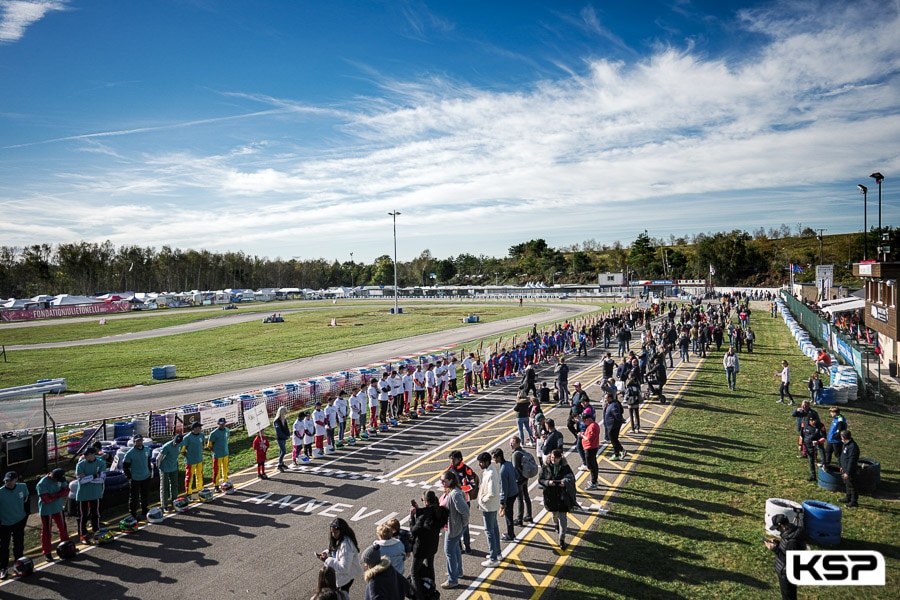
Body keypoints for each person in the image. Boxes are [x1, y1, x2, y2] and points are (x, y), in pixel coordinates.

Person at [409, 490, 447, 600]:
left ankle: (420, 597)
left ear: (426, 501)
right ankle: (431, 590)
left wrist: (412, 517)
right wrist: (419, 510)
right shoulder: (438, 512)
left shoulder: (423, 517)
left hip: (421, 548)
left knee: (414, 573)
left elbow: (414, 530)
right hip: (432, 546)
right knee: (430, 567)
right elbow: (428, 514)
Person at [538, 449, 576, 551]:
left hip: (562, 497)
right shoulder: (546, 466)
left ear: (560, 458)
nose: (553, 460)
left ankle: (562, 540)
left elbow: (572, 478)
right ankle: (555, 525)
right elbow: (540, 479)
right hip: (551, 497)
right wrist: (548, 483)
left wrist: (565, 482)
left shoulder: (565, 467)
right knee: (554, 515)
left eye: (555, 458)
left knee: (563, 519)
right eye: (552, 457)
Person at [439, 470, 470, 589]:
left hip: (453, 528)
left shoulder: (455, 494)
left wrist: (462, 525)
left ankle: (452, 579)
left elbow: (465, 511)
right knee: (455, 549)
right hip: (451, 526)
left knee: (449, 551)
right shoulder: (450, 491)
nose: (442, 483)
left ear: (450, 481)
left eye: (444, 481)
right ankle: (457, 571)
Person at [764, 513, 806, 600]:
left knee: (788, 597)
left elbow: (790, 561)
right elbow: (787, 550)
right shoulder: (790, 533)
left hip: (787, 574)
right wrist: (778, 544)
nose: (778, 531)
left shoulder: (792, 541)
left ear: (783, 526)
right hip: (785, 572)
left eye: (778, 528)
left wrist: (775, 549)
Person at [320, 517, 364, 596]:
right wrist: (328, 553)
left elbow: (344, 568)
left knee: (342, 595)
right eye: (332, 532)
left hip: (345, 578)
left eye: (335, 532)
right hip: (343, 577)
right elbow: (338, 552)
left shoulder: (346, 545)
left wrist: (327, 560)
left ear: (342, 531)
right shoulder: (341, 539)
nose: (333, 535)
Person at [447, 450, 478, 554]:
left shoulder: (466, 469)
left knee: (465, 523)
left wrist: (459, 489)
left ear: (459, 459)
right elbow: (444, 480)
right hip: (452, 500)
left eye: (453, 459)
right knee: (455, 523)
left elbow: (472, 485)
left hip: (464, 499)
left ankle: (467, 545)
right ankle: (459, 546)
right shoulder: (450, 469)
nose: (451, 461)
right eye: (450, 459)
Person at [36, 468, 70, 561]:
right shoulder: (42, 484)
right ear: (53, 477)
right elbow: (46, 500)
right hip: (46, 510)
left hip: (58, 508)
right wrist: (59, 494)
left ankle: (66, 545)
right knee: (47, 531)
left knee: (63, 527)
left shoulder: (60, 479)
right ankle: (47, 552)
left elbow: (66, 490)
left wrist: (55, 495)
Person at [0, 471, 29, 579]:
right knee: (3, 546)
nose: (8, 483)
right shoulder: (0, 492)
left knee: (19, 544)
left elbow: (27, 501)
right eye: (6, 481)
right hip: (4, 524)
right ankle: (3, 567)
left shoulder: (23, 487)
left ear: (16, 479)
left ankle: (19, 564)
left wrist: (25, 516)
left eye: (10, 480)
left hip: (19, 521)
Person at [475, 453, 502, 569]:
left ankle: (493, 558)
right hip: (491, 506)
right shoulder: (489, 471)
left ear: (486, 462)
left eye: (481, 462)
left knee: (489, 531)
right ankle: (497, 553)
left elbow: (493, 493)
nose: (479, 464)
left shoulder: (490, 474)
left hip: (489, 507)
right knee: (494, 529)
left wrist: (482, 500)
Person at [75, 446, 105, 542]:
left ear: (92, 455)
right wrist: (94, 476)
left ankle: (96, 531)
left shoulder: (101, 463)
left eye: (87, 455)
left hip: (95, 493)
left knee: (95, 513)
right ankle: (83, 535)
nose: (85, 456)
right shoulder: (80, 465)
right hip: (83, 494)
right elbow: (80, 481)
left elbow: (102, 480)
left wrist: (87, 478)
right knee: (83, 516)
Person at [122, 434, 153, 521]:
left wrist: (149, 471)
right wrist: (129, 477)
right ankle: (133, 513)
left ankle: (144, 510)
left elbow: (148, 461)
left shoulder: (147, 449)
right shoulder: (129, 454)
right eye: (137, 441)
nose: (139, 442)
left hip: (146, 476)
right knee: (134, 497)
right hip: (135, 478)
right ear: (134, 442)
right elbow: (125, 466)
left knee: (145, 495)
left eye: (140, 440)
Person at [493, 448, 519, 542]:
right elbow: (517, 475)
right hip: (515, 491)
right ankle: (511, 533)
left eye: (495, 458)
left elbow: (504, 487)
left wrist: (502, 501)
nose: (494, 460)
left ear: (499, 457)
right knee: (510, 514)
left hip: (509, 495)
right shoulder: (508, 463)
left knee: (508, 515)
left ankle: (510, 534)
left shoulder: (503, 470)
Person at [509, 436, 533, 526]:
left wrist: (514, 480)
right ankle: (529, 515)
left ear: (518, 443)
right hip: (525, 477)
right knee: (526, 496)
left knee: (520, 499)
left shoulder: (515, 454)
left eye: (513, 443)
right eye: (510, 442)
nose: (511, 444)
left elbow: (515, 468)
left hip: (519, 479)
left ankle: (519, 519)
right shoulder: (523, 451)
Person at [157, 434, 183, 512]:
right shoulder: (166, 447)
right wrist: (159, 468)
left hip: (174, 467)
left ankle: (174, 500)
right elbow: (159, 458)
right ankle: (164, 504)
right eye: (175, 442)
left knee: (174, 484)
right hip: (165, 469)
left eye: (178, 442)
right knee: (164, 487)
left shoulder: (180, 445)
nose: (176, 444)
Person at [182, 421, 206, 497]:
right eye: (199, 427)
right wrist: (189, 457)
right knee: (189, 477)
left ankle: (200, 490)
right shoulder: (187, 438)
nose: (201, 428)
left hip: (199, 460)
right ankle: (188, 493)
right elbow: (182, 451)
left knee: (200, 475)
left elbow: (203, 445)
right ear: (194, 428)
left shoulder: (202, 435)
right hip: (190, 462)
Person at [579, 411, 601, 490]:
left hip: (590, 448)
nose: (584, 423)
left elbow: (589, 439)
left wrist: (582, 436)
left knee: (591, 465)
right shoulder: (593, 425)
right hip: (592, 447)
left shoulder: (592, 427)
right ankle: (594, 480)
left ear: (588, 419)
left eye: (584, 421)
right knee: (593, 464)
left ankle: (594, 482)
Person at [207, 417, 231, 491]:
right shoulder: (213, 433)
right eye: (221, 424)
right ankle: (216, 485)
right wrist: (214, 451)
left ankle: (225, 482)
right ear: (218, 424)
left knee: (225, 469)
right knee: (216, 471)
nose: (223, 425)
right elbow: (209, 445)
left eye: (224, 424)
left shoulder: (227, 430)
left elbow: (227, 439)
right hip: (217, 455)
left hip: (225, 453)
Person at [801, 415, 826, 482]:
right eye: (812, 420)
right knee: (811, 460)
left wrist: (818, 441)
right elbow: (801, 435)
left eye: (814, 420)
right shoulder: (805, 425)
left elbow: (824, 437)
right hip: (808, 444)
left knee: (822, 452)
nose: (813, 422)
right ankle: (813, 476)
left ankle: (824, 465)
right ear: (809, 421)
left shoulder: (820, 425)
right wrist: (800, 444)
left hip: (818, 443)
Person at [839, 430, 860, 507]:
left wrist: (847, 472)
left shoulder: (852, 447)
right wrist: (842, 466)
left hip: (850, 470)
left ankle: (854, 501)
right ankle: (848, 497)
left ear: (844, 437)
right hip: (845, 468)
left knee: (852, 486)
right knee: (847, 485)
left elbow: (852, 461)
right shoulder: (846, 444)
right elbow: (844, 457)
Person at [604, 390, 627, 461]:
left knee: (613, 440)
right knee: (614, 439)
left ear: (610, 398)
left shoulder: (613, 405)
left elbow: (616, 414)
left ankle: (618, 453)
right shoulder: (612, 403)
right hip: (612, 425)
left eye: (606, 398)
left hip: (613, 426)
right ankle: (620, 451)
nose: (605, 399)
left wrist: (620, 420)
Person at [274, 405, 291, 470]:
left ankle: (281, 462)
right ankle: (279, 464)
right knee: (283, 451)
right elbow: (278, 431)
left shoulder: (284, 419)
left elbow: (286, 428)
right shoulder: (277, 421)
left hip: (284, 437)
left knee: (281, 451)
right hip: (280, 438)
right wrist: (284, 436)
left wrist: (288, 434)